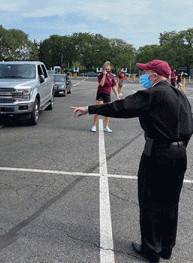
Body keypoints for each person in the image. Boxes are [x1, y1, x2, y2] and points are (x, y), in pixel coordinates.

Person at [71, 59, 193, 262]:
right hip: (179, 154)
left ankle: (151, 250)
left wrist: (90, 109)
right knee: (170, 202)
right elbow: (189, 125)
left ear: (154, 75)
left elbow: (123, 107)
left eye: (145, 72)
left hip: (158, 153)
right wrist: (178, 145)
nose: (143, 76)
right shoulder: (179, 94)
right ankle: (166, 247)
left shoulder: (154, 92)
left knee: (150, 201)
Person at [91, 61, 120, 133]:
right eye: (105, 69)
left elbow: (113, 86)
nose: (107, 71)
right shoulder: (100, 76)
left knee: (108, 110)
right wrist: (104, 75)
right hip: (100, 94)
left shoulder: (111, 77)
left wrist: (117, 95)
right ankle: (94, 125)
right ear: (103, 69)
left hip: (107, 95)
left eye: (108, 69)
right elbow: (101, 84)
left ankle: (106, 126)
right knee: (98, 109)